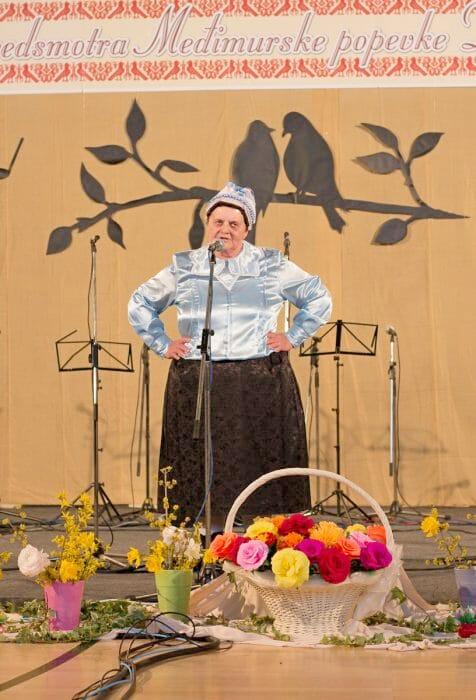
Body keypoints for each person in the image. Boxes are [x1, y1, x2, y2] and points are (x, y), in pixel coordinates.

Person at [128, 182, 332, 521]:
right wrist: (163, 343)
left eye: (234, 224)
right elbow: (140, 302)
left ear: (246, 229)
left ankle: (263, 535)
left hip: (259, 379)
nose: (225, 229)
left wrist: (293, 336)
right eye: (218, 222)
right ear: (208, 224)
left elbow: (318, 296)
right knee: (200, 462)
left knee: (259, 462)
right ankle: (202, 535)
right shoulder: (186, 266)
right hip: (198, 377)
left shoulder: (270, 265)